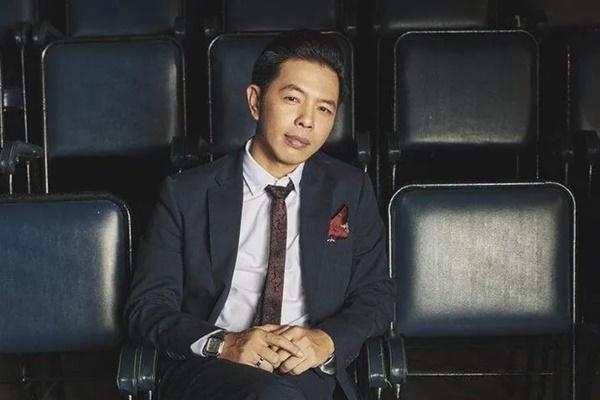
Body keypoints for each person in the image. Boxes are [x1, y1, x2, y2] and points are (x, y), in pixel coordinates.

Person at [125, 29, 394, 400]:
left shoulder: (350, 189)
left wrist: (325, 340)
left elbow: (376, 296)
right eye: (292, 99)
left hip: (308, 369)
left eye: (324, 109)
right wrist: (225, 343)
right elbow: (147, 307)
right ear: (255, 101)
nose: (307, 120)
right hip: (215, 369)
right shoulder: (186, 194)